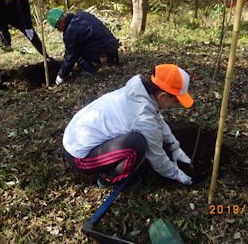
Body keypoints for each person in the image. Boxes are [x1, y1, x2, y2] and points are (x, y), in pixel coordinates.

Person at [63, 64, 195, 187]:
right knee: (137, 145)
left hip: (74, 138)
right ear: (162, 96)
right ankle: (108, 179)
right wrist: (177, 174)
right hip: (79, 157)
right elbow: (157, 156)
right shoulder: (142, 116)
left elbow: (158, 119)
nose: (175, 104)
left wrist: (174, 147)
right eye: (176, 101)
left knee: (138, 140)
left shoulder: (139, 92)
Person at [46, 8, 120, 85]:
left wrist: (61, 76)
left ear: (61, 23)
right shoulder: (82, 15)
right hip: (113, 48)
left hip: (106, 55)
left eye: (57, 27)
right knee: (79, 47)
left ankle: (93, 72)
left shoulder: (70, 32)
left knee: (76, 53)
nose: (59, 30)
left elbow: (70, 57)